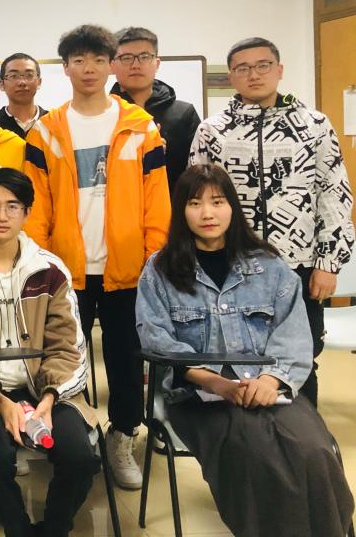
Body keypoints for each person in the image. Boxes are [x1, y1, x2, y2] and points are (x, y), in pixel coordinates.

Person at [136, 164, 354, 537]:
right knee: (256, 454)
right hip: (198, 397)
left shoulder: (269, 265)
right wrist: (218, 384)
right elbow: (157, 341)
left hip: (269, 388)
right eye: (195, 203)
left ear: (232, 207)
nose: (207, 213)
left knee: (315, 450)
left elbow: (294, 336)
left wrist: (270, 381)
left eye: (217, 201)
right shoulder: (160, 270)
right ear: (181, 210)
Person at [23, 24, 170, 490]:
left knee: (127, 360)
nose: (89, 69)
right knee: (63, 357)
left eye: (99, 60)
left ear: (111, 66)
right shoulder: (45, 131)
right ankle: (74, 435)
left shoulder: (140, 126)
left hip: (127, 269)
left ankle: (122, 436)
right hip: (65, 270)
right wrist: (40, 263)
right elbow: (36, 206)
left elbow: (157, 199)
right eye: (79, 60)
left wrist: (154, 259)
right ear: (65, 68)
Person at [190, 36, 354, 406]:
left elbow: (334, 195)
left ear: (279, 70)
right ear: (231, 76)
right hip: (231, 265)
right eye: (242, 68)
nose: (254, 74)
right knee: (234, 355)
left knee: (300, 354)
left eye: (263, 65)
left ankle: (303, 430)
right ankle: (245, 431)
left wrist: (328, 263)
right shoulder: (212, 131)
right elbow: (196, 200)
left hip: (297, 264)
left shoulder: (314, 125)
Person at [0, 168, 99, 537]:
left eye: (13, 206)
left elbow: (70, 345)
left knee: (81, 458)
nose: (2, 215)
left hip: (47, 389)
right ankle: (17, 529)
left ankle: (55, 528)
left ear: (27, 212)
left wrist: (49, 398)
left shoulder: (51, 270)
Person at [110, 27, 200, 191]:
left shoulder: (184, 113)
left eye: (144, 57)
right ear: (112, 65)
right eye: (126, 58)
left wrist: (159, 154)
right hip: (117, 203)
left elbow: (196, 175)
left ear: (157, 63)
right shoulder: (103, 115)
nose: (135, 65)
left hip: (171, 203)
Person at [0, 52, 48, 140]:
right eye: (13, 76)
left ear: (39, 82)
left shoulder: (53, 123)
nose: (22, 82)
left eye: (29, 75)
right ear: (1, 84)